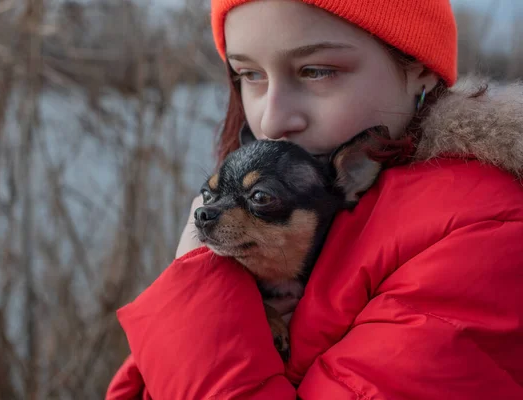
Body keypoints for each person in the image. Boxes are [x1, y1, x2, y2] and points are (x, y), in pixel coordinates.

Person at [106, 0, 523, 399]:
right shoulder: (284, 214)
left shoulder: (486, 234)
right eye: (249, 75)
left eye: (317, 71)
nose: (272, 119)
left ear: (419, 71)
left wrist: (200, 299)